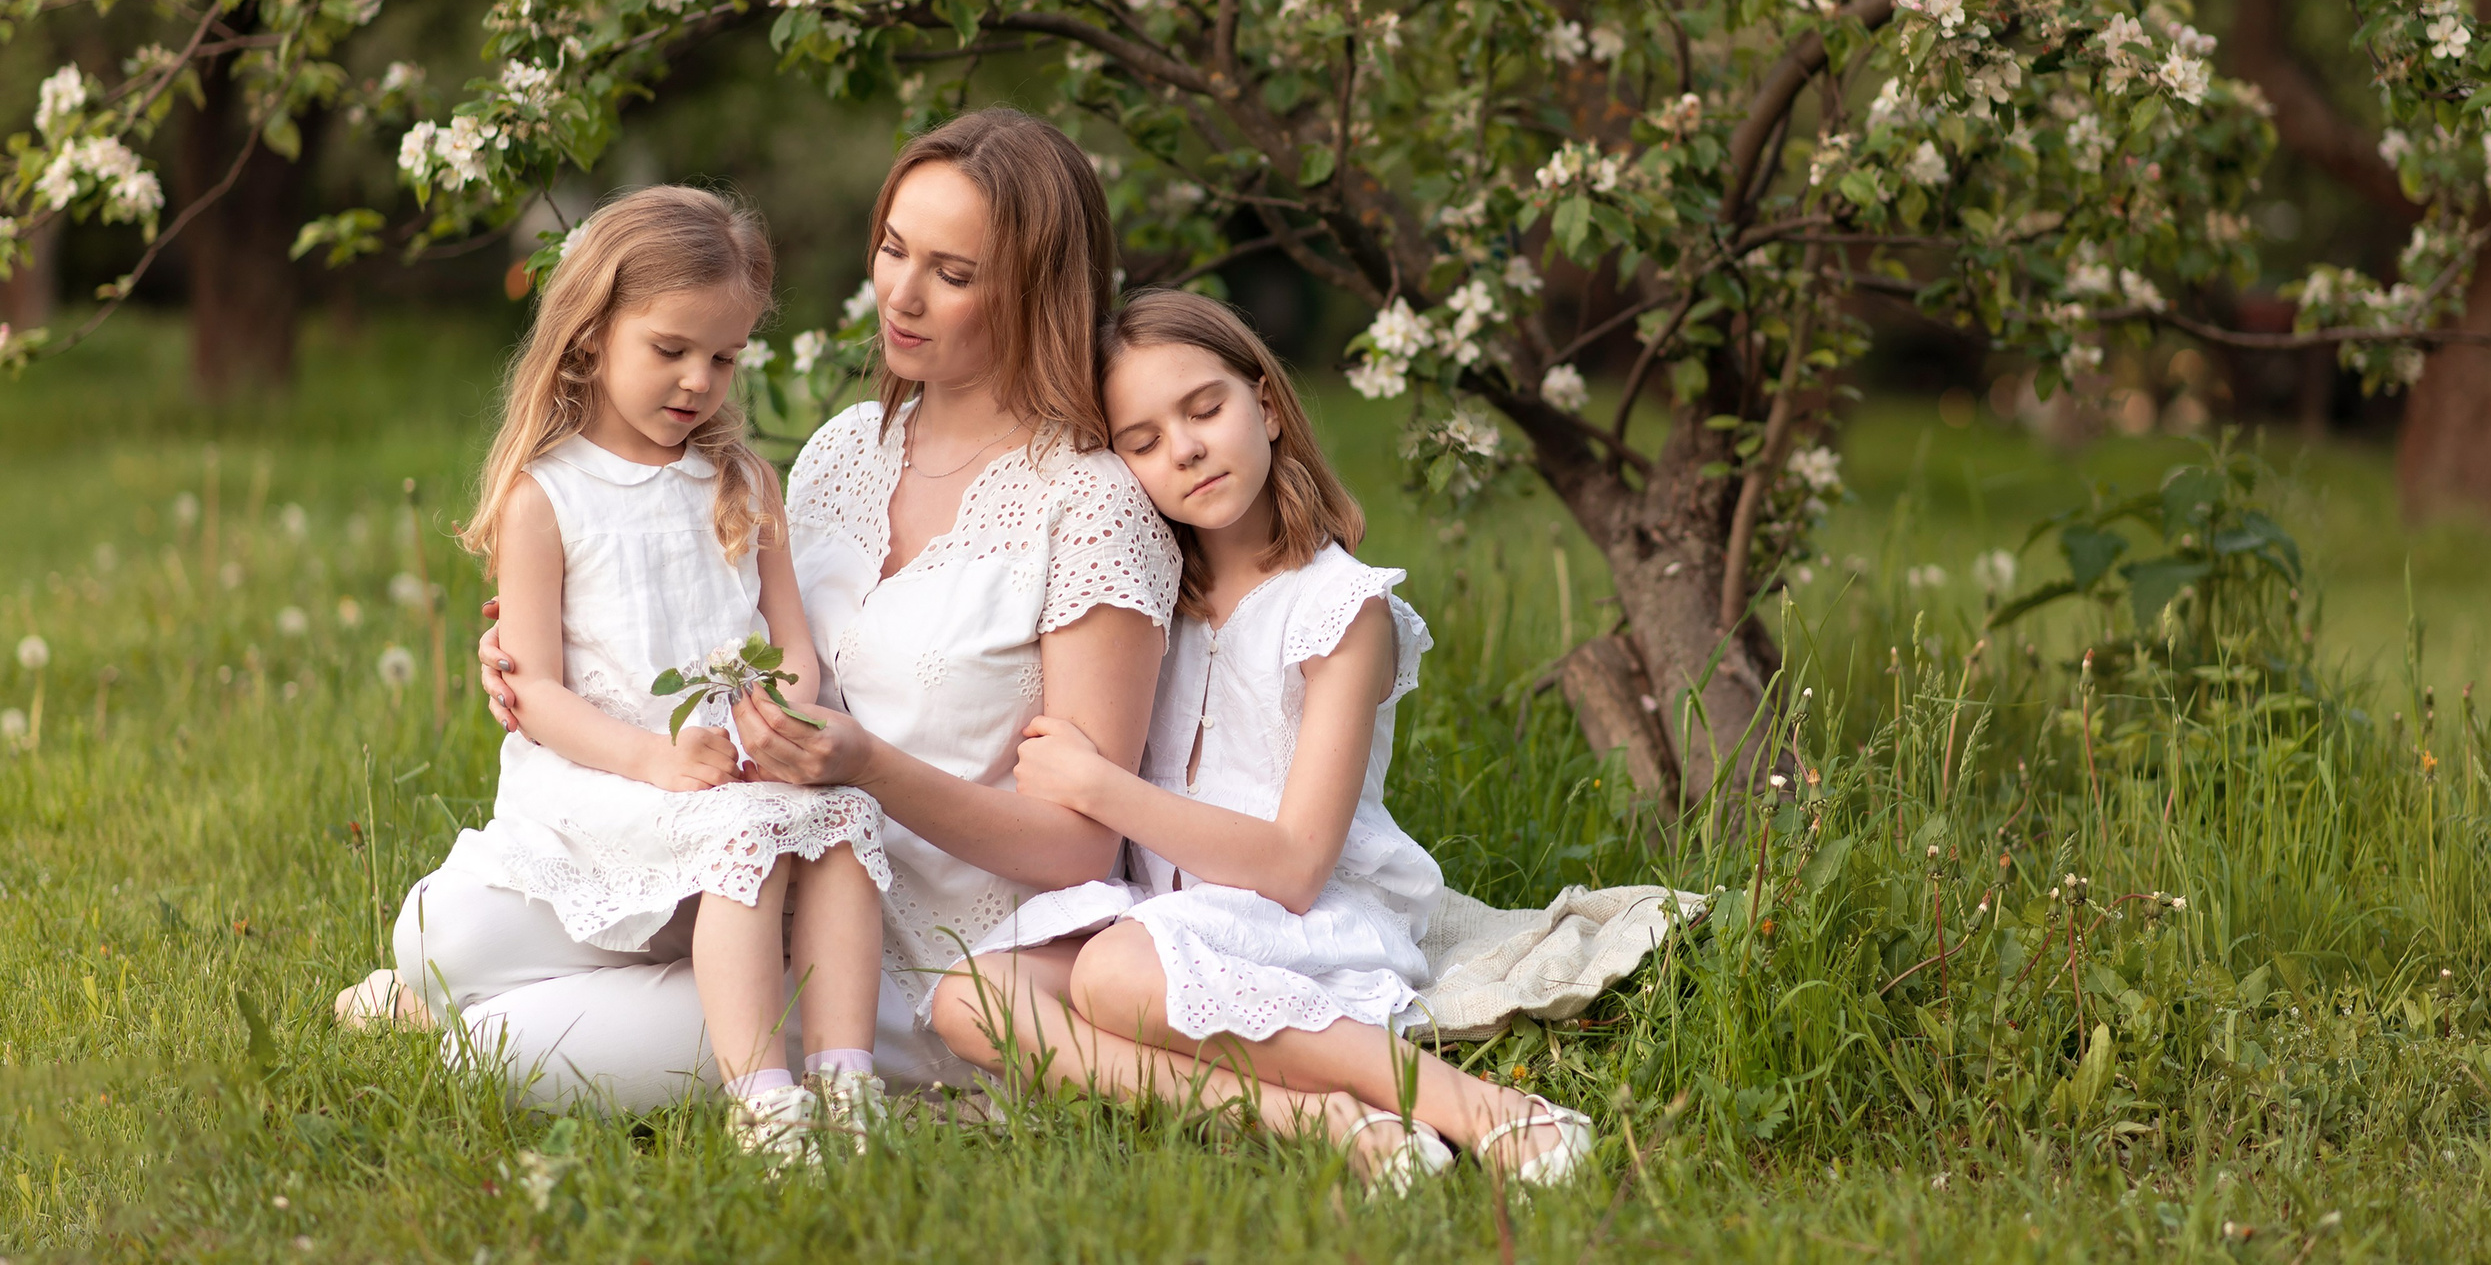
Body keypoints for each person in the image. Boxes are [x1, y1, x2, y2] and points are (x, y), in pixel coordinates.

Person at [359, 110, 1188, 1111]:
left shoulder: (1091, 503)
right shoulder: (846, 448)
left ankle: (816, 1075)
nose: (901, 292)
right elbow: (729, 614)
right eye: (891, 247)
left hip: (913, 955)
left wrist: (868, 767)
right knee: (436, 938)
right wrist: (557, 651)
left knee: (491, 1048)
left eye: (953, 273)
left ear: (1037, 292)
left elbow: (1080, 843)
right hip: (745, 860)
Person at [934, 290, 1594, 1189]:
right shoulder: (1151, 603)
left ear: (1268, 406)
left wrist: (1096, 786)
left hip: (1303, 919)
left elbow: (1293, 866)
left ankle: (1471, 1103)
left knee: (1115, 974)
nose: (1187, 449)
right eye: (1143, 440)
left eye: (1205, 409)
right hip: (1163, 923)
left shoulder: (1341, 609)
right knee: (970, 997)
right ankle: (1313, 1116)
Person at [372, 186, 893, 1166]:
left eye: (725, 355)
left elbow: (789, 646)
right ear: (589, 334)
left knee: (847, 822)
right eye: (671, 348)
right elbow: (538, 695)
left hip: (729, 766)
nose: (699, 379)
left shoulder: (742, 483)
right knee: (737, 836)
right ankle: (764, 1102)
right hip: (607, 777)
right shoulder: (548, 495)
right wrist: (655, 759)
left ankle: (847, 1077)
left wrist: (772, 725)